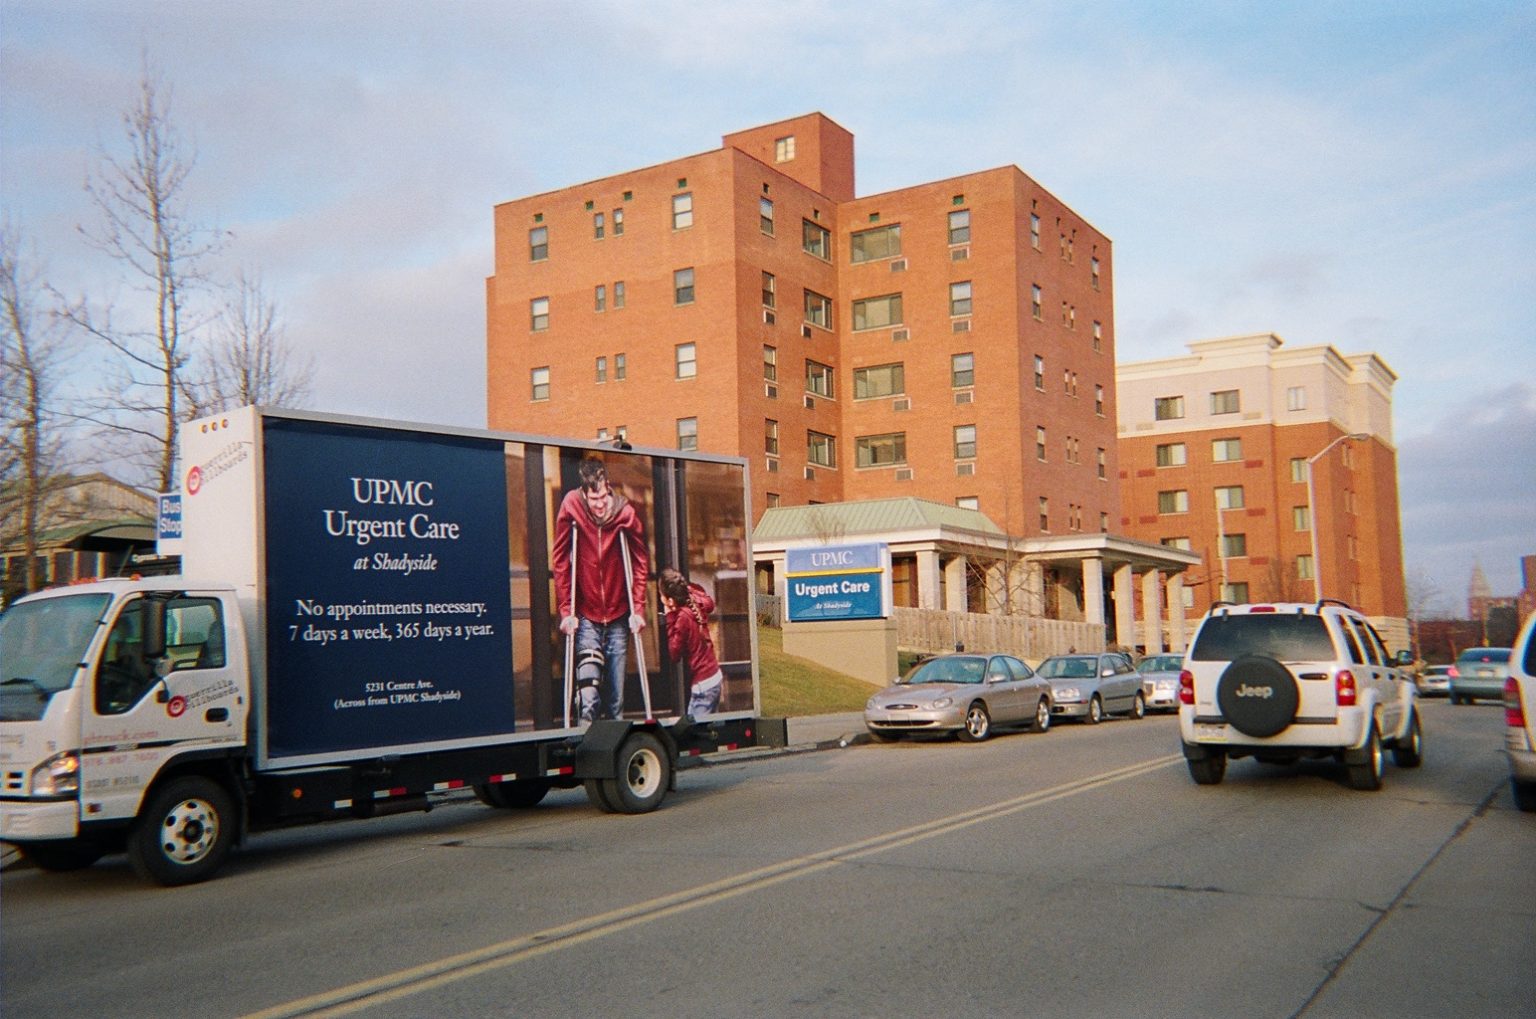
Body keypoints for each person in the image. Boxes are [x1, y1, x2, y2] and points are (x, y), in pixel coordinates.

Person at [552, 458, 648, 722]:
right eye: (594, 499)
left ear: (608, 488)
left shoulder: (624, 512)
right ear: (584, 493)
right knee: (589, 698)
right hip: (586, 618)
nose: (600, 505)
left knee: (615, 701)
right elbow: (560, 560)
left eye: (604, 496)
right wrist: (566, 611)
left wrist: (638, 609)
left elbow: (640, 561)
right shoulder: (571, 505)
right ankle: (585, 749)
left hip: (618, 616)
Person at [659, 568, 723, 718]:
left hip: (703, 686)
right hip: (714, 676)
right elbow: (710, 603)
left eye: (661, 594)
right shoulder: (693, 603)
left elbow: (674, 653)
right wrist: (687, 590)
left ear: (669, 600)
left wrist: (669, 617)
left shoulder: (682, 618)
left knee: (694, 733)